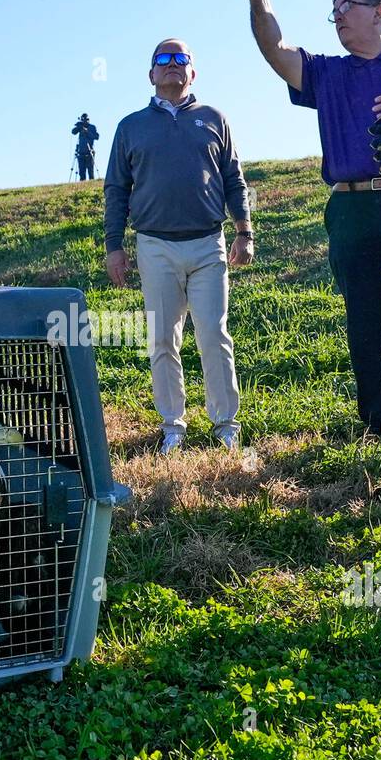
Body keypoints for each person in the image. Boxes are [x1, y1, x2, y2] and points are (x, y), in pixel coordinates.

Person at [220, 0, 381, 438]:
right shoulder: (327, 72)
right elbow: (275, 49)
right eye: (333, 11)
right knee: (365, 314)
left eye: (348, 7)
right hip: (352, 205)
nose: (338, 17)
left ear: (380, 10)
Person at [104, 39, 252, 455]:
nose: (172, 65)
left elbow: (234, 180)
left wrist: (245, 231)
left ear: (193, 72)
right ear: (151, 74)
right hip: (155, 246)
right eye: (163, 60)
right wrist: (114, 246)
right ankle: (173, 426)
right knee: (162, 340)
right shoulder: (130, 126)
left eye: (181, 59)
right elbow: (116, 188)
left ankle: (226, 425)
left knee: (213, 334)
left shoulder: (213, 119)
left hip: (209, 244)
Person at [72, 113, 99, 180]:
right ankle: (82, 184)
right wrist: (79, 127)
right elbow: (73, 132)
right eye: (84, 120)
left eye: (87, 119)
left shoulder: (92, 127)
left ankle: (92, 185)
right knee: (81, 172)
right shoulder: (80, 127)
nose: (85, 121)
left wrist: (87, 131)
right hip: (81, 152)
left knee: (90, 171)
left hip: (89, 152)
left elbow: (96, 137)